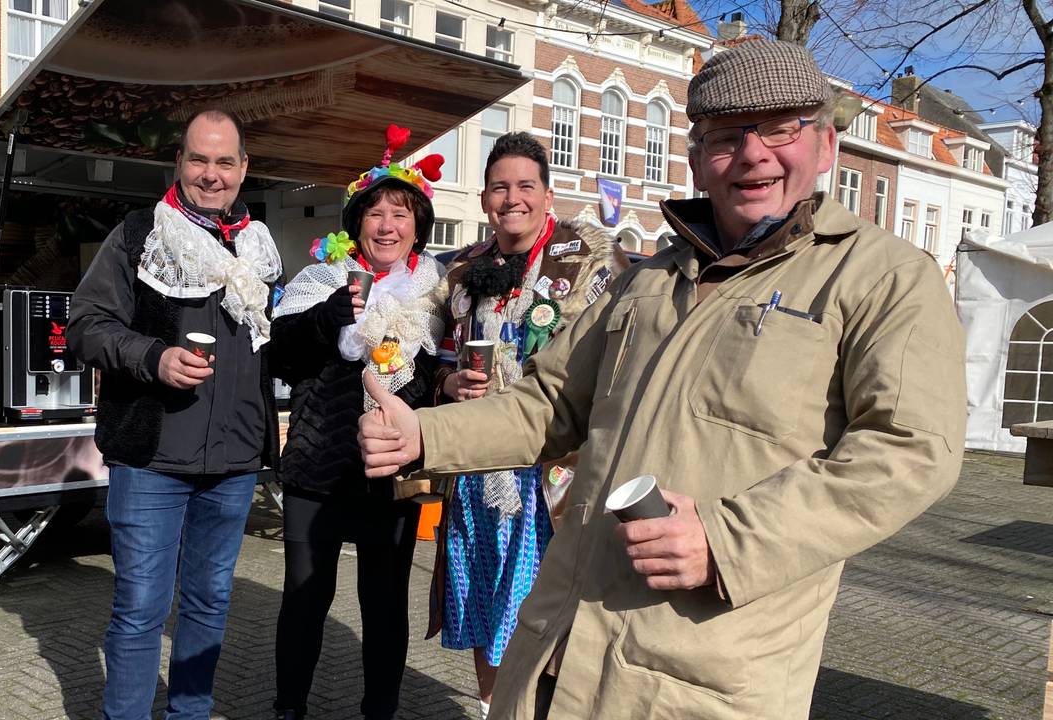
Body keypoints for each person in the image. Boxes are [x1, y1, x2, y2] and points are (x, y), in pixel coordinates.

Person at [358, 40, 966, 720]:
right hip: (555, 656)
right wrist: (424, 432)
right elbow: (549, 404)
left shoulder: (884, 278)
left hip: (693, 680)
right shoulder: (648, 277)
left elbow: (912, 449)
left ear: (824, 145)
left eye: (781, 128)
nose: (755, 153)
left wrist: (726, 539)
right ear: (698, 158)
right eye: (727, 135)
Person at [69, 107, 283, 720]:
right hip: (152, 458)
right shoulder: (142, 233)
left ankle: (190, 713)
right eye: (198, 159)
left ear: (243, 168)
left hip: (236, 462)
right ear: (179, 164)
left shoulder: (260, 246)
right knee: (139, 607)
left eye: (224, 162)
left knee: (210, 603)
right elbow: (85, 326)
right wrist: (153, 357)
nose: (211, 175)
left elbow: (278, 340)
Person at [430, 131, 614, 719]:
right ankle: (492, 708)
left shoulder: (589, 259)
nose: (512, 198)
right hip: (477, 472)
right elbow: (429, 353)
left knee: (549, 608)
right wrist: (447, 384)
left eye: (524, 186)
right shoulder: (460, 269)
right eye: (500, 187)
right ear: (485, 199)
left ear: (547, 193)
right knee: (482, 604)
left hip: (554, 474)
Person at [268, 124, 446, 720]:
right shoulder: (318, 279)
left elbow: (436, 379)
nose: (387, 225)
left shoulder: (434, 294)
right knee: (304, 598)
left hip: (389, 471)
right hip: (318, 466)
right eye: (375, 213)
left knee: (385, 603)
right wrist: (331, 314)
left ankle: (380, 711)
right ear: (356, 224)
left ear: (417, 224)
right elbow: (280, 354)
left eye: (400, 212)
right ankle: (289, 708)